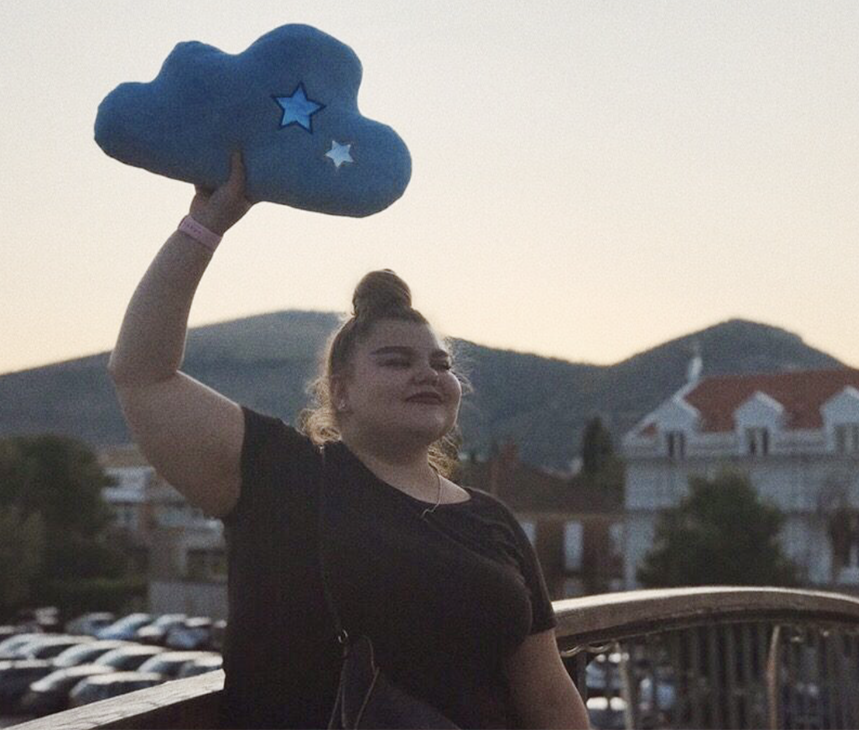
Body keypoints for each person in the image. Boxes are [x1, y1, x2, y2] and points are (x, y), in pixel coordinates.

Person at [107, 153, 590, 730]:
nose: (428, 374)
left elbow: (547, 692)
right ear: (341, 391)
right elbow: (143, 373)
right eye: (397, 361)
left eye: (440, 364)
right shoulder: (284, 476)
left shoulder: (492, 520)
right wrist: (204, 226)